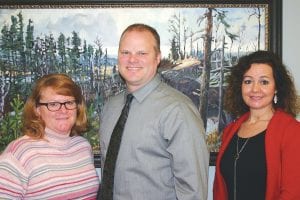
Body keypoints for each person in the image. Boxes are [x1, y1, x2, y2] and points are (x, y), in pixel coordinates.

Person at [98, 23, 209, 199]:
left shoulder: (178, 111)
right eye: (126, 52)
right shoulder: (110, 107)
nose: (132, 60)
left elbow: (192, 191)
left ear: (157, 58)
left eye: (142, 53)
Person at [213, 50, 300, 200]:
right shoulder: (230, 131)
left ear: (276, 87)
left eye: (264, 81)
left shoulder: (291, 131)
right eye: (248, 81)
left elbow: (293, 193)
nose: (255, 89)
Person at [0, 74, 99, 199]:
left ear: (77, 107)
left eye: (69, 102)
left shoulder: (82, 146)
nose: (63, 110)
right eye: (53, 104)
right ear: (37, 109)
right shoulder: (19, 154)